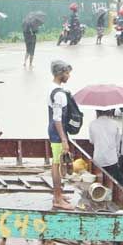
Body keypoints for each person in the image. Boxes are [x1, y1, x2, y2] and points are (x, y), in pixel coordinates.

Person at [47, 60, 74, 209]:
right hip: (57, 133)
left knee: (56, 162)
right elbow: (57, 119)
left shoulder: (53, 88)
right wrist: (64, 139)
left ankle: (59, 193)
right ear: (60, 74)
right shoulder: (59, 95)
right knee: (57, 165)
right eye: (67, 73)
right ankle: (57, 199)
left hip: (54, 130)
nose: (68, 76)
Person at [89, 109, 122, 184]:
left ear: (97, 112)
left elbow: (92, 141)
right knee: (112, 184)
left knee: (99, 184)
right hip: (112, 160)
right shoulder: (115, 124)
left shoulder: (92, 124)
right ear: (109, 112)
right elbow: (117, 143)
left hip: (98, 159)